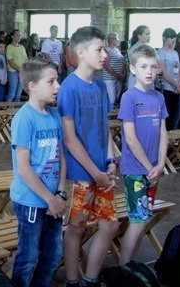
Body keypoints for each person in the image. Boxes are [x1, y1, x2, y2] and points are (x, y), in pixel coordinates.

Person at [57, 26, 119, 287]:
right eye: (99, 49)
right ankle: (73, 280)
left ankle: (91, 279)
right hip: (81, 173)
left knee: (110, 226)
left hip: (102, 171)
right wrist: (95, 172)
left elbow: (104, 127)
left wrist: (111, 160)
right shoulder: (69, 88)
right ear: (80, 52)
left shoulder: (101, 86)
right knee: (77, 227)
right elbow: (69, 138)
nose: (105, 55)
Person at [10, 58, 66, 287]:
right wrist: (49, 198)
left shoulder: (54, 115)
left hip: (53, 199)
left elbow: (61, 156)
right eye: (51, 82)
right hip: (31, 200)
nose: (57, 86)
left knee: (53, 255)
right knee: (28, 257)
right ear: (33, 86)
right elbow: (24, 168)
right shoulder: (24, 119)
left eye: (57, 80)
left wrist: (60, 192)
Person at [117, 44, 168, 264]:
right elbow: (130, 138)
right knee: (137, 222)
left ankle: (132, 266)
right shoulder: (129, 97)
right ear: (133, 69)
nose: (149, 71)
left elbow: (164, 134)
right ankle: (123, 270)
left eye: (153, 67)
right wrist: (149, 168)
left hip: (153, 170)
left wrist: (161, 163)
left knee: (143, 220)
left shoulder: (159, 98)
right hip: (136, 171)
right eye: (143, 66)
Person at [157, 28, 180, 130]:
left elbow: (179, 70)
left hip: (176, 88)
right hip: (166, 88)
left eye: (174, 38)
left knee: (174, 116)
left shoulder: (175, 53)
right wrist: (176, 84)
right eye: (171, 38)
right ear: (164, 38)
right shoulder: (161, 52)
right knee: (166, 116)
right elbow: (163, 72)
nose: (173, 40)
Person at [102, 32, 125, 106]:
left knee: (116, 99)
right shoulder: (106, 50)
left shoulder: (117, 50)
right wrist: (117, 75)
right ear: (111, 40)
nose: (118, 40)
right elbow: (106, 66)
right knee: (111, 100)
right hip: (109, 78)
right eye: (116, 39)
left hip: (118, 78)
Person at [6, 29, 27, 102]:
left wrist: (25, 69)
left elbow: (26, 59)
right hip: (13, 72)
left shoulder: (22, 47)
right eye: (17, 35)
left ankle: (16, 109)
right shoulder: (9, 47)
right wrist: (20, 69)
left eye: (20, 35)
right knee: (12, 94)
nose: (19, 37)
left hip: (22, 72)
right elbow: (10, 62)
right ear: (12, 36)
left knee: (18, 95)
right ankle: (7, 108)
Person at [127, 25, 151, 90]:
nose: (149, 36)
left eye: (149, 34)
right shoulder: (134, 49)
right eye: (147, 34)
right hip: (137, 80)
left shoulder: (149, 48)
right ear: (139, 36)